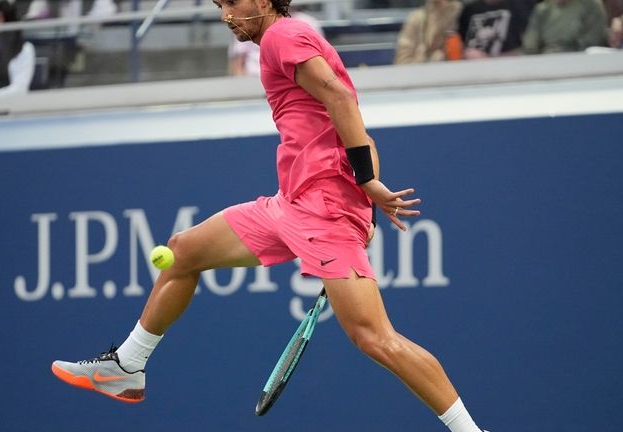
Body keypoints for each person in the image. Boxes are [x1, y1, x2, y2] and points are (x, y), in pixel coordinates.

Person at [52, 1, 486, 431]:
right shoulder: (283, 41)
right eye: (220, 4)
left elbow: (338, 95)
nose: (226, 14)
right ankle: (128, 366)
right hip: (291, 203)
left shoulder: (282, 35)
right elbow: (349, 116)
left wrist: (364, 184)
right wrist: (363, 198)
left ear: (263, 0)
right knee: (184, 251)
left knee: (374, 337)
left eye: (234, 2)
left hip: (320, 209)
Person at [228, 6, 322, 76]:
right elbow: (237, 62)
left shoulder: (308, 22)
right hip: (254, 79)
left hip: (294, 79)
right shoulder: (249, 23)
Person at [522, 0, 609, 54]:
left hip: (579, 62)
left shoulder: (592, 6)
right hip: (546, 62)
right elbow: (530, 47)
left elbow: (591, 42)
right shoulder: (542, 10)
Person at [457, 0, 536, 59]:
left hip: (511, 68)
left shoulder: (522, 5)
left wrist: (489, 58)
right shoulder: (469, 10)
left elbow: (529, 49)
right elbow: (462, 46)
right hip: (472, 70)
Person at [394, 0, 463, 64]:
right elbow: (402, 62)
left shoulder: (461, 14)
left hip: (453, 73)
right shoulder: (416, 19)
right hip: (418, 73)